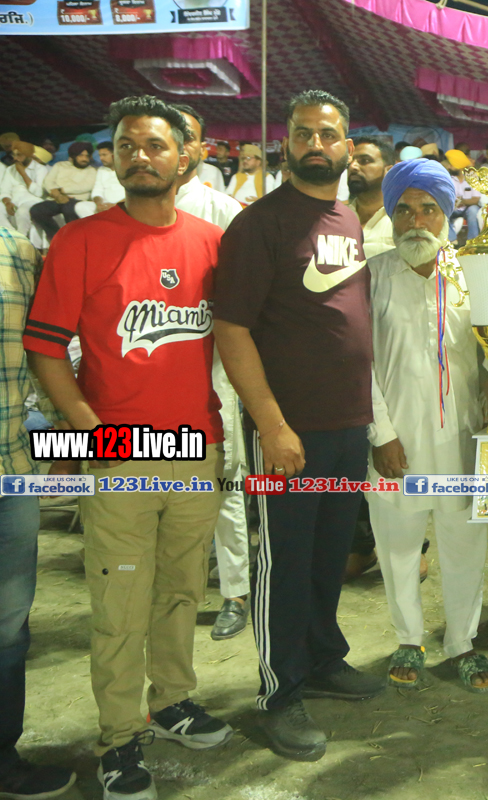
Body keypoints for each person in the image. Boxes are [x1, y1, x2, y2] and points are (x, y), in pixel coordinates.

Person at [24, 94, 232, 800]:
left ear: (186, 156)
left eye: (155, 145)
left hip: (196, 444)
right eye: (127, 146)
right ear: (112, 158)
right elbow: (45, 348)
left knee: (181, 589)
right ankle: (119, 738)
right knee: (119, 601)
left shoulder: (210, 243)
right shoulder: (80, 241)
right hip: (121, 450)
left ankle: (171, 701)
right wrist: (87, 426)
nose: (140, 156)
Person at [214, 90, 382, 762]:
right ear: (287, 143)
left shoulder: (347, 217)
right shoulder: (259, 225)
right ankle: (279, 694)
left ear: (348, 147)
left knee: (327, 554)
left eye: (328, 134)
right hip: (288, 430)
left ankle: (321, 658)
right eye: (304, 133)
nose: (316, 144)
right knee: (282, 563)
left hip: (347, 423)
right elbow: (232, 330)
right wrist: (271, 424)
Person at [365, 158, 488, 693]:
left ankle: (463, 642)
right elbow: (359, 364)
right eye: (403, 210)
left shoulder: (473, 274)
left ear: (446, 214)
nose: (416, 221)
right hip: (393, 441)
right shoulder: (372, 276)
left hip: (460, 440)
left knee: (464, 544)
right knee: (397, 545)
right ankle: (408, 638)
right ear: (390, 215)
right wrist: (381, 434)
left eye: (428, 209)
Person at [168, 104, 253, 642]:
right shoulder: (129, 210)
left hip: (215, 370)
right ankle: (172, 592)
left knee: (225, 486)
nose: (178, 147)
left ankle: (236, 592)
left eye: (188, 138)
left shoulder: (224, 211)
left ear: (201, 148)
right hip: (154, 375)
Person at [1, 228, 77, 800]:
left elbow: (40, 350)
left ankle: (3, 759)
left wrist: (71, 436)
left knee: (8, 626)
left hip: (10, 469)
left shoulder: (16, 250)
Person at [29, 141, 96, 242]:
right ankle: (56, 238)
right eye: (81, 155)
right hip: (56, 199)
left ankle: (75, 240)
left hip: (76, 200)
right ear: (73, 156)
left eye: (87, 156)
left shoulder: (91, 170)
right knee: (36, 210)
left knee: (68, 209)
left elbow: (85, 186)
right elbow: (48, 181)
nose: (84, 159)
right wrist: (57, 194)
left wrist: (61, 190)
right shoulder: (60, 165)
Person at [347, 135, 396, 259]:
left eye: (365, 161)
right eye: (350, 162)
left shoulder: (401, 219)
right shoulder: (337, 217)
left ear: (389, 171)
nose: (353, 167)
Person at [0, 142, 48, 237]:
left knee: (22, 212)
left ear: (29, 155)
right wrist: (7, 202)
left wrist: (23, 174)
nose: (15, 158)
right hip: (13, 200)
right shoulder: (10, 169)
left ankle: (22, 237)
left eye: (19, 155)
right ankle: (12, 235)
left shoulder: (40, 169)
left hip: (32, 200)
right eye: (13, 155)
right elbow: (5, 190)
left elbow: (39, 193)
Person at [76, 142, 125, 218]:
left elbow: (135, 194)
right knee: (81, 206)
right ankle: (102, 223)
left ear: (115, 154)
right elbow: (97, 190)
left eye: (104, 155)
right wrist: (99, 204)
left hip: (123, 205)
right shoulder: (101, 170)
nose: (101, 158)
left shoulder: (128, 169)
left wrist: (116, 205)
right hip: (105, 205)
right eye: (100, 155)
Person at [443, 149, 482, 241]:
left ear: (459, 166)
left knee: (473, 210)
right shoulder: (447, 178)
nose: (449, 167)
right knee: (442, 211)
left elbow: (476, 199)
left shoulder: (472, 178)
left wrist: (462, 201)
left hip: (467, 209)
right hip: (452, 208)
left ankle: (472, 241)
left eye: (451, 165)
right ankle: (451, 240)